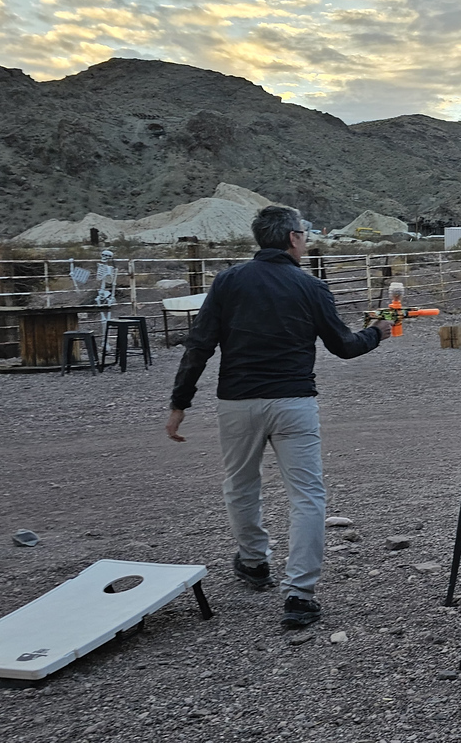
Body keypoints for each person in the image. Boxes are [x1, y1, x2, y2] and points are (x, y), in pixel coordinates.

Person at [165, 205, 389, 630]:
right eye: (303, 233)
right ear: (292, 238)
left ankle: (253, 561)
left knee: (241, 483)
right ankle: (300, 593)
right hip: (293, 402)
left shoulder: (228, 281)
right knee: (307, 495)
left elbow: (200, 345)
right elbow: (344, 346)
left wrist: (180, 403)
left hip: (237, 402)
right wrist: (377, 331)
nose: (305, 239)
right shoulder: (311, 287)